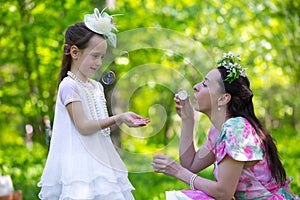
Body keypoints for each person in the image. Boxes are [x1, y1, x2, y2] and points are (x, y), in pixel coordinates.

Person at [152, 52, 299, 199]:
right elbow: (190, 164)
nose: (196, 87)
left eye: (205, 84)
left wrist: (178, 171)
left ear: (223, 98)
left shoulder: (236, 129)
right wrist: (188, 119)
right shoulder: (220, 130)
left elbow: (223, 193)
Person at [38, 8, 150, 200]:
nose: (99, 63)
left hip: (102, 160)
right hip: (80, 166)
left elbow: (100, 125)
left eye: (102, 57)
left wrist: (123, 120)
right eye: (94, 56)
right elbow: (83, 126)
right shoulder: (69, 85)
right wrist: (118, 117)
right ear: (74, 52)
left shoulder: (97, 87)